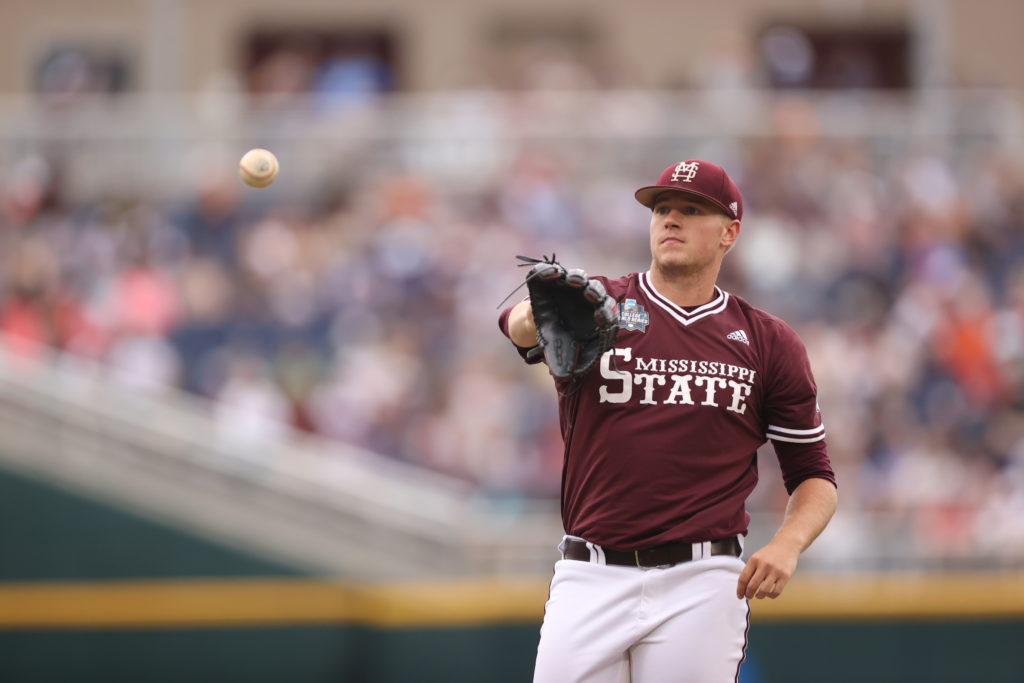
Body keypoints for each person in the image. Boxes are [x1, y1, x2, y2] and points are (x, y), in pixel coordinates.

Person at [498, 159, 838, 683]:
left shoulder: (769, 342)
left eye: (691, 209)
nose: (670, 219)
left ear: (730, 232)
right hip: (590, 571)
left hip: (702, 577)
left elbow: (814, 475)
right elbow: (519, 327)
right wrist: (529, 318)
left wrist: (788, 543)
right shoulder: (602, 306)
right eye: (661, 208)